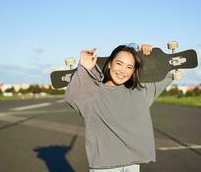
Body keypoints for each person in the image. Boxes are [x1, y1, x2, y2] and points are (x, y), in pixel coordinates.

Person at [64, 44, 173, 172]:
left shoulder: (140, 92)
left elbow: (169, 72)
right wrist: (84, 68)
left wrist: (148, 58)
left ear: (133, 71)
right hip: (104, 166)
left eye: (129, 67)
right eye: (119, 63)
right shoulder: (93, 93)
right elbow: (72, 96)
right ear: (110, 63)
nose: (123, 70)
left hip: (132, 164)